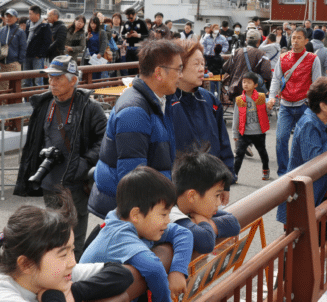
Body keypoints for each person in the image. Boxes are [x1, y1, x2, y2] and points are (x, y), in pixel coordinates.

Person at [14, 56, 107, 260]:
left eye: (57, 78)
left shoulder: (89, 108)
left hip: (75, 184)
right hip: (49, 183)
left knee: (75, 241)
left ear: (73, 80)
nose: (52, 83)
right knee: (54, 237)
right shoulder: (45, 104)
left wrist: (85, 163)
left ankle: (76, 283)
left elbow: (106, 139)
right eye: (50, 78)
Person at [88, 39, 184, 220]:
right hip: (132, 213)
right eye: (178, 69)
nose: (181, 75)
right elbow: (134, 179)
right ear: (159, 73)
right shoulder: (134, 111)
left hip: (145, 206)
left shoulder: (159, 100)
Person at [82, 166, 193, 301]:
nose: (168, 220)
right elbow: (153, 269)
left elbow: (183, 234)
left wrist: (178, 271)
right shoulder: (119, 236)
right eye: (163, 214)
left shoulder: (140, 226)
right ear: (136, 214)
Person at [0, 191, 134, 302]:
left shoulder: (56, 275)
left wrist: (76, 292)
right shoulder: (5, 294)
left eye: (72, 250)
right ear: (26, 264)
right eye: (63, 254)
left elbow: (123, 274)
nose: (73, 262)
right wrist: (54, 297)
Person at [276, 77, 327, 224]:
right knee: (296, 238)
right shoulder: (309, 124)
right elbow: (314, 159)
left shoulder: (317, 121)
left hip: (310, 193)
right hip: (300, 196)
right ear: (324, 106)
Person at [170, 40, 235, 191]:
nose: (202, 69)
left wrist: (226, 183)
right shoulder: (167, 102)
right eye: (196, 64)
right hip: (178, 187)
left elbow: (223, 142)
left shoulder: (210, 100)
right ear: (179, 66)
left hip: (211, 183)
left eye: (203, 64)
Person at [267, 28, 322, 177]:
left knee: (304, 140)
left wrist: (315, 106)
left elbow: (317, 83)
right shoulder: (283, 57)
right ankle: (283, 174)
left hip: (304, 105)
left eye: (299, 38)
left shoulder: (313, 59)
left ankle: (303, 172)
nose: (295, 41)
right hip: (285, 105)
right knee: (280, 138)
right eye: (293, 38)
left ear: (306, 41)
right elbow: (276, 78)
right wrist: (272, 97)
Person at [171, 152, 240, 254]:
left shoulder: (193, 208)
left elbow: (233, 223)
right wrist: (203, 220)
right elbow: (206, 242)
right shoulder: (171, 215)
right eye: (217, 195)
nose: (219, 203)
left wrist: (204, 224)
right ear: (192, 196)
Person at [232, 72, 271, 181]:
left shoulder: (260, 97)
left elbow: (266, 111)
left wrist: (269, 106)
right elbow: (236, 117)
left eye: (249, 82)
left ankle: (266, 169)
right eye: (244, 82)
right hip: (244, 133)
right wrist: (235, 133)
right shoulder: (239, 99)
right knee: (239, 154)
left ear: (255, 85)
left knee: (262, 152)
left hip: (259, 132)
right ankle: (234, 175)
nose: (245, 84)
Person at [222, 29, 272, 100]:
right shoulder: (261, 54)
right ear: (259, 41)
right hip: (253, 93)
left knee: (238, 110)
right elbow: (267, 73)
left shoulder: (237, 52)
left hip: (236, 91)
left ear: (246, 40)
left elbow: (226, 67)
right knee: (254, 110)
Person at [24, 5, 52, 87]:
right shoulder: (28, 23)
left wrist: (40, 54)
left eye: (30, 14)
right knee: (26, 79)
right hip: (27, 54)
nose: (29, 16)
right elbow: (25, 37)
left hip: (37, 57)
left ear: (37, 15)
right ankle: (27, 99)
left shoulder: (45, 26)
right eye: (29, 14)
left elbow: (47, 42)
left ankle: (39, 99)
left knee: (38, 81)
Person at [0, 9, 27, 91]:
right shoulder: (1, 30)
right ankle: (4, 104)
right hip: (2, 65)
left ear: (16, 19)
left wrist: (19, 62)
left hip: (14, 64)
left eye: (10, 16)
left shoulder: (20, 32)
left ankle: (15, 104)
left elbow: (23, 48)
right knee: (3, 89)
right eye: (6, 16)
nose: (8, 18)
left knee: (15, 88)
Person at [122, 8, 149, 72]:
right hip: (128, 49)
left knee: (137, 68)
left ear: (135, 14)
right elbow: (122, 34)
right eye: (128, 18)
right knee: (129, 68)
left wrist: (138, 35)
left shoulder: (141, 22)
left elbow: (147, 34)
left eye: (131, 18)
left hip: (138, 49)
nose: (130, 20)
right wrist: (126, 36)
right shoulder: (126, 23)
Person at [85, 16, 108, 80]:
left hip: (98, 56)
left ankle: (97, 88)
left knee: (97, 75)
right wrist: (87, 39)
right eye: (91, 23)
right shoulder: (88, 33)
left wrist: (100, 53)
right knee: (89, 75)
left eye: (94, 23)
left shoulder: (102, 32)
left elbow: (104, 43)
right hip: (89, 57)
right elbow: (85, 45)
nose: (93, 25)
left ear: (97, 24)